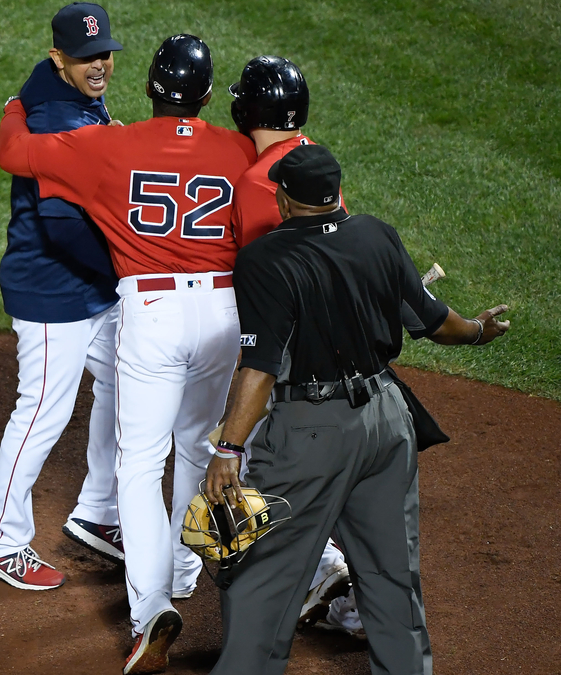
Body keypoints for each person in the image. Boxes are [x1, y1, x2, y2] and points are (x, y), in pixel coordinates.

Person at [0, 34, 257, 674]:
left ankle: (151, 610)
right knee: (205, 448)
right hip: (222, 313)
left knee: (141, 464)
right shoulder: (238, 149)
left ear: (148, 88)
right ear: (203, 96)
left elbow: (15, 153)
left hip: (151, 312)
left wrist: (14, 103)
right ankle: (187, 569)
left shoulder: (111, 143)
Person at [205, 144, 510, 675]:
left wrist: (228, 449)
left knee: (262, 577)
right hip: (387, 423)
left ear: (283, 197)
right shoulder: (376, 235)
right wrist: (480, 331)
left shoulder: (265, 259)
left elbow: (260, 367)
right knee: (393, 575)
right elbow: (437, 323)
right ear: (335, 194)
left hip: (311, 435)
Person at [0, 2, 127, 593]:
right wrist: (123, 267)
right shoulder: (62, 120)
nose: (100, 65)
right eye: (86, 57)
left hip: (89, 286)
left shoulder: (50, 82)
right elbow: (62, 226)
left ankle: (97, 512)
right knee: (42, 412)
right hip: (51, 288)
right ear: (60, 57)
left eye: (104, 52)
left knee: (124, 383)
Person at [225, 54, 353, 633]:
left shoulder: (260, 182)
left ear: (247, 110)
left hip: (291, 351)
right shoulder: (312, 160)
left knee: (257, 463)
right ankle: (352, 607)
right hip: (340, 343)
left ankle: (318, 571)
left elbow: (263, 278)